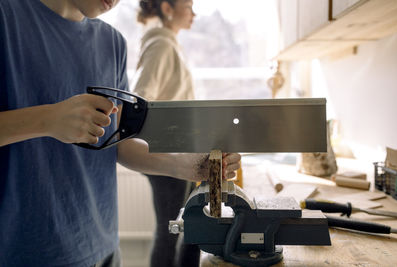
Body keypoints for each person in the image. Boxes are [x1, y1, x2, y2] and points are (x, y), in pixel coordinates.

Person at [0, 0, 241, 267]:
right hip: (24, 253)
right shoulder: (6, 18)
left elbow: (119, 144)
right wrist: (48, 119)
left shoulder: (112, 42)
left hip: (103, 248)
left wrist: (189, 165)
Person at [132, 1, 199, 266]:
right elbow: (140, 100)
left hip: (177, 153)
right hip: (167, 155)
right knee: (170, 231)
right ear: (167, 8)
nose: (194, 13)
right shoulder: (161, 45)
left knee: (182, 229)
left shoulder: (170, 43)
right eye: (188, 5)